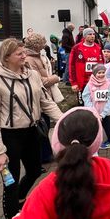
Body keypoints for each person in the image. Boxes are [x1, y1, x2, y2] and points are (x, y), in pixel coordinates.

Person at [0, 38, 63, 219]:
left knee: (34, 171)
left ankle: (19, 198)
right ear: (6, 57)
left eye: (24, 52)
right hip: (9, 136)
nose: (24, 56)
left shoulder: (32, 75)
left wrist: (64, 120)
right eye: (19, 54)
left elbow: (46, 102)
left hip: (32, 132)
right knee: (11, 181)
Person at [24, 33, 64, 167]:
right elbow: (39, 81)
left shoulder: (38, 56)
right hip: (38, 98)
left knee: (44, 127)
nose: (44, 45)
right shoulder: (30, 60)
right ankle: (42, 157)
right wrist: (55, 78)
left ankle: (46, 155)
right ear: (36, 44)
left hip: (44, 96)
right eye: (42, 42)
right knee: (41, 128)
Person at [69, 28, 104, 104]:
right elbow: (71, 66)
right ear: (84, 36)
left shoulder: (98, 48)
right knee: (83, 105)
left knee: (96, 104)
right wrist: (74, 83)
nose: (92, 36)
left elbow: (102, 65)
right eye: (90, 34)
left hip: (96, 82)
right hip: (82, 83)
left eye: (93, 34)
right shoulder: (77, 48)